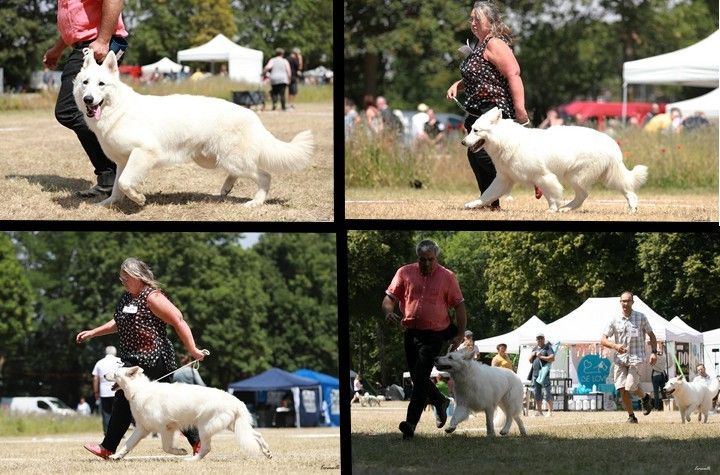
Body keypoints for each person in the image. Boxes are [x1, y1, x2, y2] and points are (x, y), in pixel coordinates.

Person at [76, 257, 206, 459]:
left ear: (138, 276)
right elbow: (119, 322)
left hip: (154, 358)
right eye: (121, 278)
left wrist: (193, 349)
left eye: (126, 277)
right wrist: (94, 332)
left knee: (126, 399)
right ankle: (197, 442)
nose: (123, 281)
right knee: (162, 403)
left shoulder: (152, 297)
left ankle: (108, 447)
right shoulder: (128, 298)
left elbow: (178, 320)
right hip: (133, 358)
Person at [447, 1, 529, 211]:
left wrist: (520, 109)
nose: (472, 22)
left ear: (490, 22)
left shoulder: (494, 43)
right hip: (476, 111)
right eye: (471, 18)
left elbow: (514, 73)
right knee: (474, 152)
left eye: (477, 19)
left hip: (493, 111)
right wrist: (458, 84)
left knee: (481, 153)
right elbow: (479, 77)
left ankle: (530, 177)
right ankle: (491, 204)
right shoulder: (479, 46)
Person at [42, 0, 128, 198]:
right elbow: (75, 25)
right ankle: (110, 176)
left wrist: (103, 40)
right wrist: (56, 50)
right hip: (85, 45)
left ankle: (119, 163)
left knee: (68, 110)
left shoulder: (99, 41)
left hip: (96, 45)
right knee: (96, 111)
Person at [382, 239, 467, 440]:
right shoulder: (404, 273)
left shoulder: (447, 277)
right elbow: (389, 298)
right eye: (423, 260)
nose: (427, 264)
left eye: (431, 259)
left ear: (436, 258)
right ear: (417, 258)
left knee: (420, 379)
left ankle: (410, 424)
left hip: (436, 333)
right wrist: (388, 312)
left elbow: (459, 306)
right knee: (417, 377)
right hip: (411, 332)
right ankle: (440, 400)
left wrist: (460, 333)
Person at [600, 291, 657, 424]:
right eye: (623, 301)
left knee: (630, 386)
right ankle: (631, 416)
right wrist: (614, 346)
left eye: (628, 301)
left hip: (636, 358)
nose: (625, 303)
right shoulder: (614, 319)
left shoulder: (641, 317)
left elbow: (652, 335)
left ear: (632, 302)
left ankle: (646, 397)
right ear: (620, 302)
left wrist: (654, 352)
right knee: (621, 388)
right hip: (620, 359)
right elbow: (603, 339)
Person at [91, 345, 122, 435]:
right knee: (118, 412)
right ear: (115, 352)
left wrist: (96, 392)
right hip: (117, 390)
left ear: (106, 352)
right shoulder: (119, 361)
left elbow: (95, 378)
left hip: (104, 391)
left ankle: (107, 431)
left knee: (106, 413)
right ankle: (119, 432)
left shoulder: (99, 362)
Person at [529, 333, 554, 417]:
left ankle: (550, 412)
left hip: (544, 373)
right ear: (536, 340)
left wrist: (541, 357)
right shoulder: (534, 348)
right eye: (538, 338)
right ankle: (539, 412)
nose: (539, 340)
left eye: (541, 338)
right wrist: (532, 355)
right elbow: (530, 361)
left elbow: (552, 358)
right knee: (537, 393)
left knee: (547, 391)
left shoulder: (548, 347)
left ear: (544, 339)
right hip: (535, 373)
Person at [649, 344, 668, 411]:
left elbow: (650, 363)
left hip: (655, 375)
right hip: (662, 375)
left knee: (656, 392)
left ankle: (656, 407)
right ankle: (666, 407)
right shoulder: (663, 357)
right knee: (663, 391)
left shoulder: (654, 357)